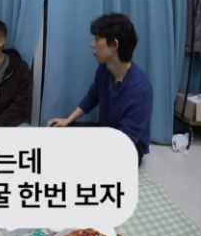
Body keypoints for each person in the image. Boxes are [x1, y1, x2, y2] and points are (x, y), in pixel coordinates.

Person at [47, 13, 153, 166]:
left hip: (129, 149)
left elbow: (126, 140)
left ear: (114, 44)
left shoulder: (140, 88)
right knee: (59, 132)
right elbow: (92, 96)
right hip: (106, 132)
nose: (92, 44)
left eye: (97, 39)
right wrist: (68, 120)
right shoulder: (104, 68)